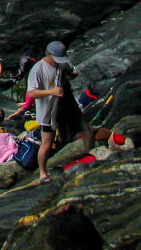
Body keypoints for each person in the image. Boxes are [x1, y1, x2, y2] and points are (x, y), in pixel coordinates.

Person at [27, 41, 93, 184]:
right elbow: (31, 93)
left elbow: (70, 74)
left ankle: (89, 157)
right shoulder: (38, 69)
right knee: (47, 143)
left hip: (67, 105)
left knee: (87, 129)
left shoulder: (62, 66)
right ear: (48, 55)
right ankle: (42, 173)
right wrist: (52, 91)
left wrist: (70, 77)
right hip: (48, 112)